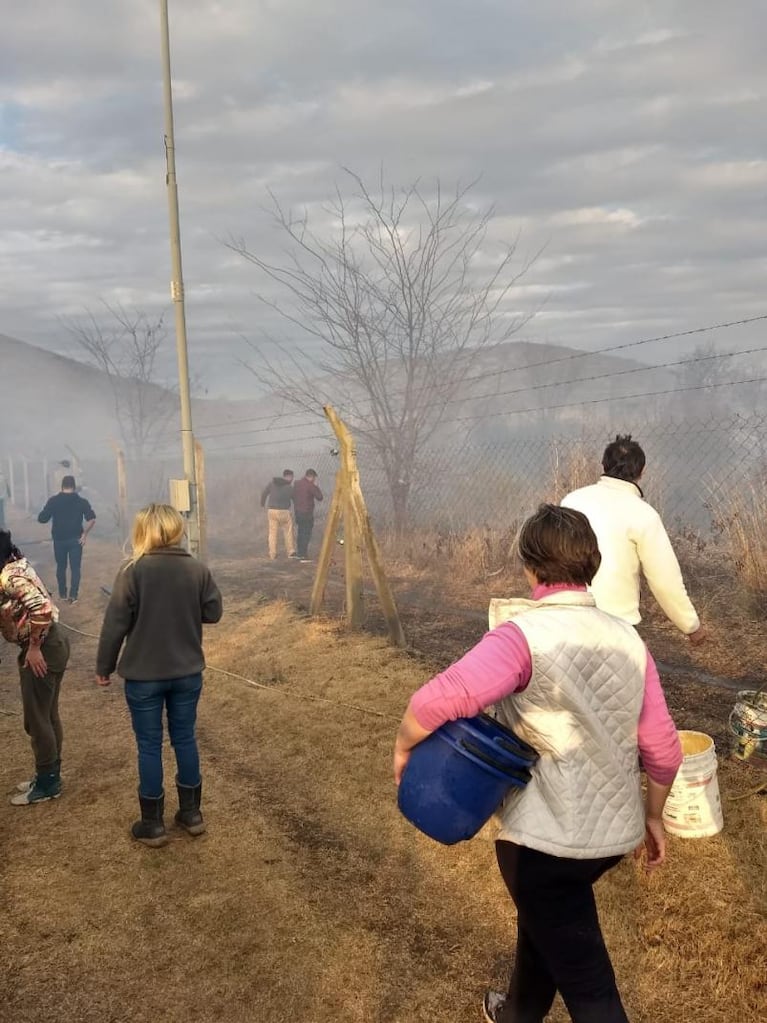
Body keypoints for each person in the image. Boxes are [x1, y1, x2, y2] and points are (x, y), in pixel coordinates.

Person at [394, 504, 683, 1023]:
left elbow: (436, 701)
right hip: (606, 841)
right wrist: (654, 814)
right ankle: (516, 1013)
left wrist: (402, 749)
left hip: (544, 845)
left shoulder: (523, 636)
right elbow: (663, 747)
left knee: (589, 985)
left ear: (530, 567)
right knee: (546, 930)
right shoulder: (631, 641)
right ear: (591, 566)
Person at [95, 504, 223, 847]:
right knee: (185, 737)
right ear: (176, 530)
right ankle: (192, 814)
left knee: (149, 744)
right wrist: (184, 609)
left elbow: (114, 626)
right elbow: (214, 612)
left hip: (144, 676)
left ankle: (152, 825)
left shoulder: (132, 570)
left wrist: (104, 667)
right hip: (187, 673)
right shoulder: (196, 569)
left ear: (144, 531)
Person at [562, 434, 707, 645]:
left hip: (566, 615)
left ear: (603, 465)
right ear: (642, 471)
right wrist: (691, 626)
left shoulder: (571, 501)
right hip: (615, 624)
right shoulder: (644, 514)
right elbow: (664, 579)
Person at [1, 530, 71, 806]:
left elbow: (41, 608)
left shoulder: (9, 577)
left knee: (37, 719)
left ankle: (48, 782)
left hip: (44, 648)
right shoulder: (16, 564)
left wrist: (33, 647)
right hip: (54, 642)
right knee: (48, 714)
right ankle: (49, 772)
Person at [37, 475, 96, 604]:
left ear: (62, 486)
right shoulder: (82, 501)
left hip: (59, 539)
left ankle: (63, 594)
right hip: (76, 540)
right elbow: (92, 519)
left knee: (61, 567)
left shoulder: (53, 501)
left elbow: (42, 519)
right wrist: (85, 534)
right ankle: (73, 596)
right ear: (74, 487)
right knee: (75, 568)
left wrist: (47, 511)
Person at [260, 469, 297, 560]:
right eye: (291, 477)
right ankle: (290, 551)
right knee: (288, 531)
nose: (292, 479)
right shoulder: (289, 487)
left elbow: (264, 493)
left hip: (272, 511)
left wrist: (262, 503)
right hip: (284, 511)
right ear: (289, 477)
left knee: (272, 533)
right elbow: (295, 499)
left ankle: (272, 553)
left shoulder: (272, 483)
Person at [293, 468, 323, 561]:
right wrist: (316, 486)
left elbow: (293, 496)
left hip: (298, 511)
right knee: (306, 533)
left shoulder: (297, 484)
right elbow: (319, 497)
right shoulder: (310, 485)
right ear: (312, 477)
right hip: (307, 513)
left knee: (301, 532)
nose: (314, 480)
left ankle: (299, 553)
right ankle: (303, 554)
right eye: (314, 478)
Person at [0, 465, 9, 529]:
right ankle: (2, 522)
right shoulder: (4, 478)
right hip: (2, 497)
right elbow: (7, 487)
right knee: (2, 510)